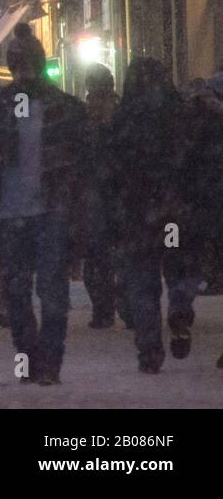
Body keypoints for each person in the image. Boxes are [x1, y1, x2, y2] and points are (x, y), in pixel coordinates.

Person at [0, 23, 86, 385]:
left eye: (27, 65)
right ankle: (29, 360)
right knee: (18, 293)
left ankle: (49, 365)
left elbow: (79, 164)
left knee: (52, 292)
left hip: (48, 211)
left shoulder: (62, 108)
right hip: (11, 212)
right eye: (18, 66)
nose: (22, 73)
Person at [110, 58, 196, 373]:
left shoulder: (124, 120)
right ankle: (180, 309)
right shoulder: (178, 116)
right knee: (178, 266)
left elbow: (112, 168)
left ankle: (149, 349)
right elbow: (193, 160)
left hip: (137, 213)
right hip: (174, 210)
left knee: (143, 282)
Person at [80, 64, 122, 329]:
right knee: (110, 253)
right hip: (112, 192)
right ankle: (115, 303)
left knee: (98, 255)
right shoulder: (122, 115)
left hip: (99, 191)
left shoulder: (86, 119)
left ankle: (104, 307)